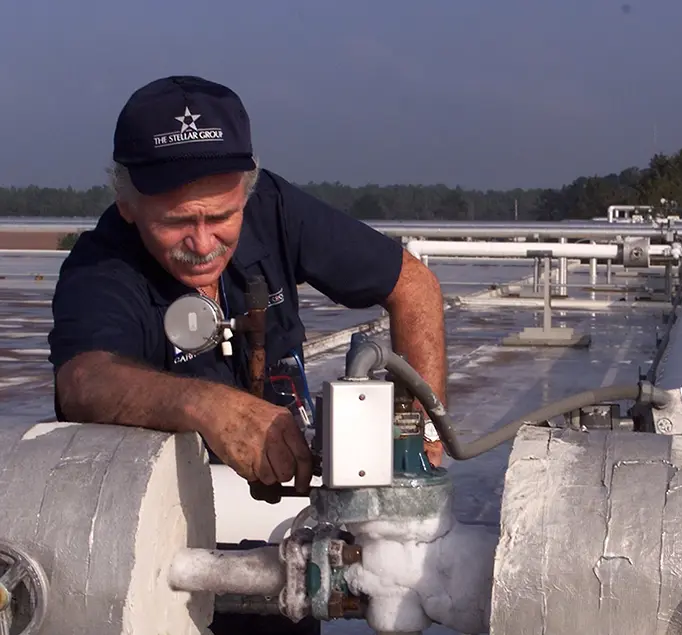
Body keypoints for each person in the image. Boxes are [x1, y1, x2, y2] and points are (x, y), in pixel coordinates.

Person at [47, 75, 448, 631]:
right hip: (162, 560)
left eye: (221, 216)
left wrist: (421, 441)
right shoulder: (99, 269)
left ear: (247, 189)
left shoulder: (275, 206)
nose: (203, 243)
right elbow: (85, 380)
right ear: (128, 203)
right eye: (177, 221)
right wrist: (207, 409)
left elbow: (413, 286)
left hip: (293, 546)